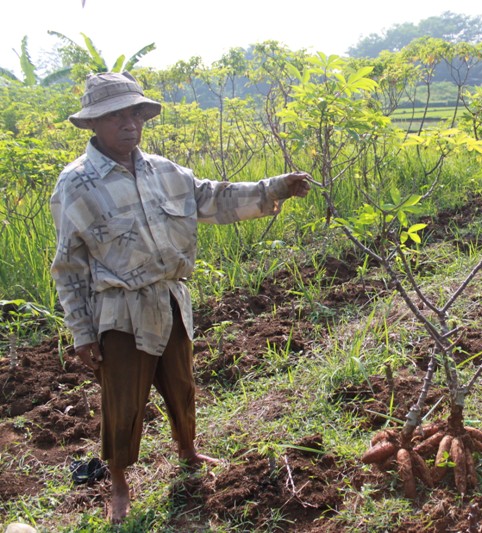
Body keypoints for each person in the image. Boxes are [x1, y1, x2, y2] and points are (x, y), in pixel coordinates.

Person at [49, 71, 311, 524]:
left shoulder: (166, 172)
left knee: (180, 383)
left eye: (134, 113)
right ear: (93, 124)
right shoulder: (76, 185)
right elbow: (68, 265)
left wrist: (275, 188)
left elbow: (216, 198)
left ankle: (188, 451)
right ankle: (118, 484)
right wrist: (81, 333)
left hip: (170, 298)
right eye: (115, 116)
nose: (128, 123)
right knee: (123, 400)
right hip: (120, 310)